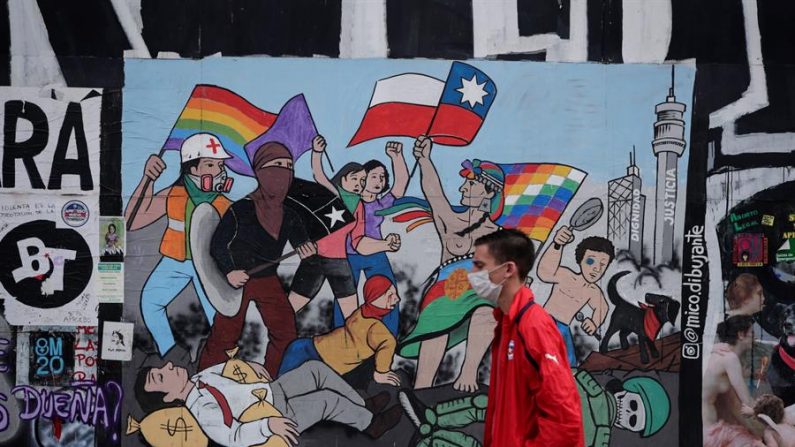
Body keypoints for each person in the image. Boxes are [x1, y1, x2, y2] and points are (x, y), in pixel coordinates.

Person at [197, 142, 317, 375]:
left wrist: (306, 249)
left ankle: (273, 379)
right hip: (237, 281)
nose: (284, 171)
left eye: (288, 166)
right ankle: (204, 379)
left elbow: (302, 242)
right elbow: (217, 244)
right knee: (226, 333)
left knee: (286, 332)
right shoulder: (241, 208)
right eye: (277, 165)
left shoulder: (290, 215)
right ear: (261, 171)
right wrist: (230, 271)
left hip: (267, 279)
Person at [399, 136, 504, 392]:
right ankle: (423, 388)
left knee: (486, 310)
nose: (463, 188)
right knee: (437, 324)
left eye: (471, 184)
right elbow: (433, 192)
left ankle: (468, 373)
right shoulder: (450, 220)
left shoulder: (499, 234)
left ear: (489, 192)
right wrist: (423, 159)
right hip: (447, 286)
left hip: (478, 287)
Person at [124, 132, 234, 356]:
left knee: (220, 316)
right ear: (193, 169)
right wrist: (148, 179)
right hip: (175, 261)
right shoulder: (174, 195)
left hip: (209, 266)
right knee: (151, 303)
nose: (219, 172)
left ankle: (223, 361)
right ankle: (172, 355)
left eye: (220, 165)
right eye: (211, 165)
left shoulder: (225, 204)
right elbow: (132, 220)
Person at [474, 228, 584, 446]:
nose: (472, 273)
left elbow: (565, 421)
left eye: (479, 265)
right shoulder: (507, 325)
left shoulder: (533, 327)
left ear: (508, 269)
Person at [136, 359, 403, 447]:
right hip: (270, 412)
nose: (168, 366)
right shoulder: (201, 410)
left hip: (269, 390)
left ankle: (363, 405)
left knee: (314, 369)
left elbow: (226, 368)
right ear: (169, 398)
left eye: (162, 367)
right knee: (326, 401)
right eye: (160, 376)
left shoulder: (201, 377)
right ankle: (372, 425)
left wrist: (249, 365)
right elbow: (233, 436)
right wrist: (268, 425)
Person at [310, 136, 406, 334]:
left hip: (375, 253)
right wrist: (317, 153)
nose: (379, 181)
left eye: (382, 177)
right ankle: (341, 335)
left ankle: (388, 336)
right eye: (373, 176)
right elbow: (321, 178)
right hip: (348, 255)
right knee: (345, 296)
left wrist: (396, 157)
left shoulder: (381, 204)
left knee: (389, 292)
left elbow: (401, 184)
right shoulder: (348, 201)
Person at [278, 275, 401, 387]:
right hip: (314, 348)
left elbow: (388, 343)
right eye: (390, 295)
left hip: (324, 361)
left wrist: (382, 372)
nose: (396, 299)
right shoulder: (363, 312)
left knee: (292, 368)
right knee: (294, 351)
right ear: (375, 296)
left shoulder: (376, 327)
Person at [536, 226, 614, 366]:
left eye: (603, 265)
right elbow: (545, 272)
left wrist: (594, 322)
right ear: (580, 260)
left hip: (563, 328)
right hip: (545, 321)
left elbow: (603, 307)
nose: (596, 269)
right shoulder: (566, 276)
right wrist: (557, 244)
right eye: (591, 261)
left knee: (570, 363)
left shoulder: (593, 291)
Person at [703, 315, 764, 447]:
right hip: (708, 433)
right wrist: (774, 419)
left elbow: (735, 405)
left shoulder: (717, 354)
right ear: (741, 334)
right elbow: (746, 401)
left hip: (705, 429)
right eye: (752, 333)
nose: (755, 338)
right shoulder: (729, 358)